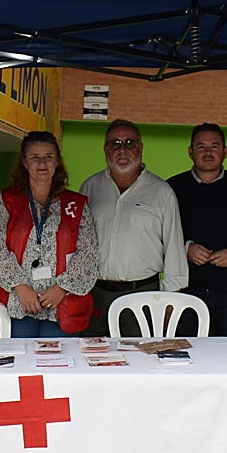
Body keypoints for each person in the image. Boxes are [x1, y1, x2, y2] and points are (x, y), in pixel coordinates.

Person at [79, 119, 187, 336]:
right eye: (115, 144)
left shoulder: (161, 192)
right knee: (92, 360)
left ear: (140, 148)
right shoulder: (90, 188)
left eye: (129, 143)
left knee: (139, 361)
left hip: (142, 295)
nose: (122, 150)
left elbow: (174, 248)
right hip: (94, 296)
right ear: (105, 149)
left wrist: (169, 301)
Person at [0, 131, 98, 337]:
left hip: (61, 304)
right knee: (20, 365)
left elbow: (88, 252)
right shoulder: (8, 200)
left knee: (57, 365)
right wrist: (20, 286)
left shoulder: (76, 204)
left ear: (57, 163)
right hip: (19, 303)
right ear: (25, 163)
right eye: (35, 157)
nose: (42, 163)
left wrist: (62, 288)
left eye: (48, 157)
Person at [167, 123, 227, 352]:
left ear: (225, 151)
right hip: (186, 291)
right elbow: (158, 235)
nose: (207, 152)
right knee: (184, 359)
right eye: (201, 146)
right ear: (190, 151)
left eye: (215, 146)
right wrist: (185, 248)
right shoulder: (171, 188)